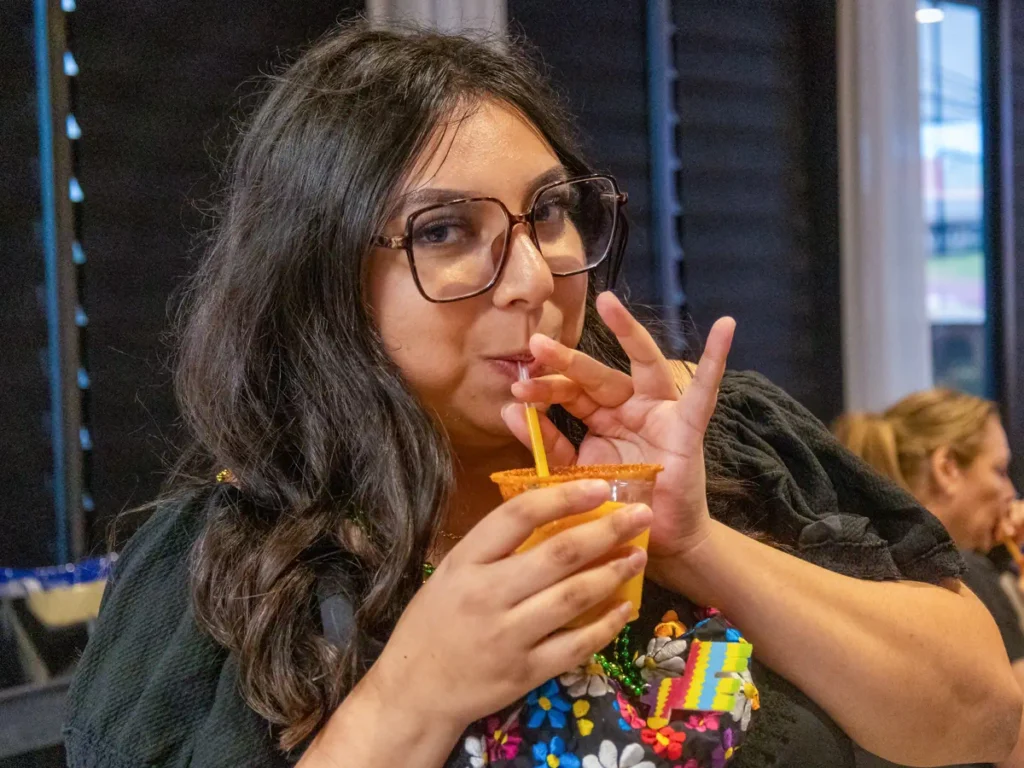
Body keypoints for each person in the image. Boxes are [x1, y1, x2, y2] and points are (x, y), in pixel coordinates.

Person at [64, 24, 1021, 768]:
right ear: (322, 283)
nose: (531, 276)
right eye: (444, 231)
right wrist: (413, 697)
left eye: (550, 212)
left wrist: (696, 546)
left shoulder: (711, 438)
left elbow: (982, 716)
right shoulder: (226, 572)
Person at [835, 389, 1024, 767]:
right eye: (999, 471)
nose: (1011, 494)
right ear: (947, 468)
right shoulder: (968, 580)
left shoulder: (854, 561)